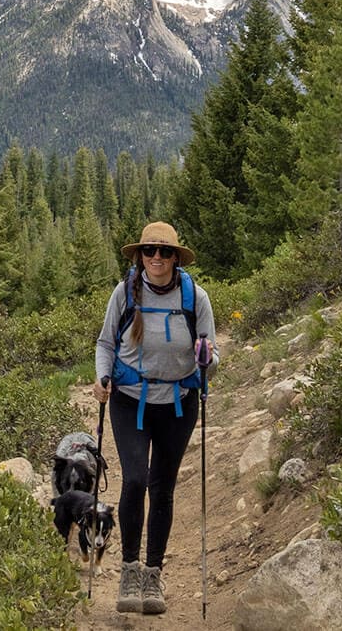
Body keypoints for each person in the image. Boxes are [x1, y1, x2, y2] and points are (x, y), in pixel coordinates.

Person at [93, 221, 219, 615]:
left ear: (177, 257)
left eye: (165, 252)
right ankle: (129, 568)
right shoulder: (124, 293)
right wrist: (101, 377)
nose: (158, 258)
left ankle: (153, 574)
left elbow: (211, 360)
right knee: (134, 479)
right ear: (139, 255)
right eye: (150, 251)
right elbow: (105, 342)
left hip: (179, 402)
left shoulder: (195, 297)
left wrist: (206, 360)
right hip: (129, 400)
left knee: (162, 488)